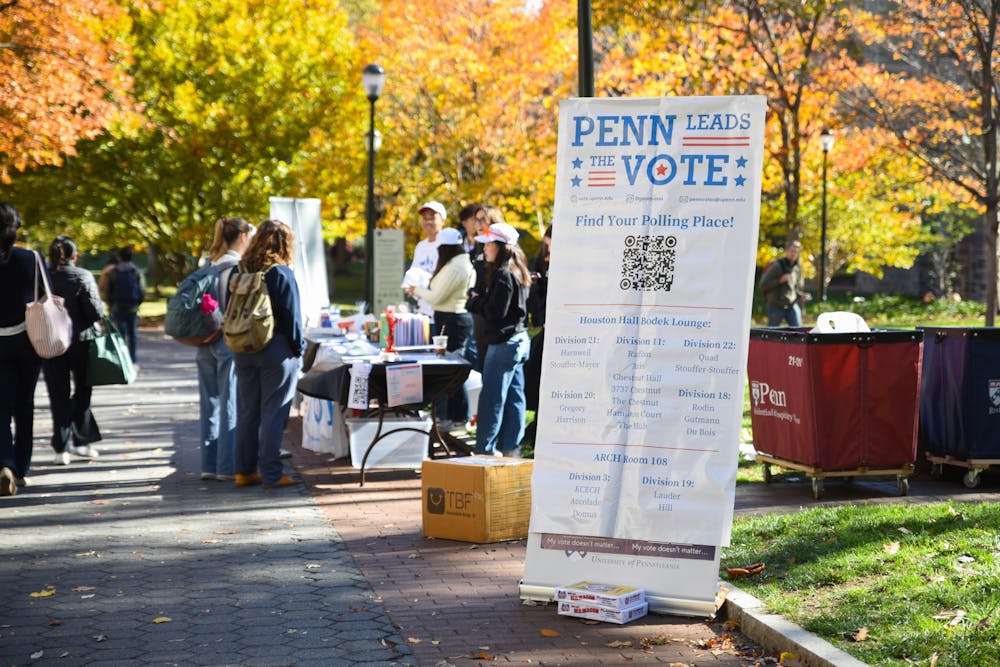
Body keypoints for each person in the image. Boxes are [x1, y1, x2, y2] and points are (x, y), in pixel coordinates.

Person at [231, 219, 304, 489]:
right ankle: (272, 474)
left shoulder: (241, 270)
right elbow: (292, 319)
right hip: (275, 350)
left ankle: (244, 471)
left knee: (248, 412)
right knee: (274, 412)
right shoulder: (281, 273)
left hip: (243, 348)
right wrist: (299, 350)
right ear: (284, 243)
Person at [466, 218, 531, 457]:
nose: (484, 248)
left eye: (488, 244)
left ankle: (485, 450)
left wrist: (474, 301)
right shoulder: (519, 271)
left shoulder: (504, 274)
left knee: (492, 398)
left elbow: (495, 312)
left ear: (501, 247)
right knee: (515, 397)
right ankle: (512, 448)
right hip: (519, 340)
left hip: (504, 343)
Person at [196, 217, 254, 481]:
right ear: (242, 236)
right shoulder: (238, 268)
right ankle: (226, 466)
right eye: (250, 235)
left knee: (209, 402)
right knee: (229, 401)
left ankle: (209, 464)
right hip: (229, 341)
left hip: (204, 340)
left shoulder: (208, 265)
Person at [404, 227, 475, 430]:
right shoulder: (457, 264)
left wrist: (415, 289)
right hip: (450, 318)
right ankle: (453, 416)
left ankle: (458, 417)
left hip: (452, 320)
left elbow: (436, 297)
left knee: (451, 371)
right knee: (451, 369)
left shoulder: (456, 267)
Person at [43, 236, 105, 466]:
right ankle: (81, 442)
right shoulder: (83, 276)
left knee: (57, 394)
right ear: (75, 256)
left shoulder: (44, 278)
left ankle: (61, 447)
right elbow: (94, 310)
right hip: (81, 341)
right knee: (83, 391)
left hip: (51, 342)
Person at [0, 202, 42, 496]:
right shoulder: (30, 259)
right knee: (24, 404)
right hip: (28, 341)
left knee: (0, 407)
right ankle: (22, 468)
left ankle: (4, 462)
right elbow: (47, 295)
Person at [522, 224, 551, 449]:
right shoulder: (542, 262)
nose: (548, 252)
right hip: (544, 329)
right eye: (546, 247)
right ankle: (534, 430)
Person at [106, 246, 146, 362]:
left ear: (120, 257)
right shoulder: (136, 271)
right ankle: (132, 359)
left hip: (117, 306)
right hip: (132, 307)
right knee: (132, 334)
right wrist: (138, 303)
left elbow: (108, 290)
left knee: (120, 334)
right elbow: (142, 290)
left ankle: (122, 359)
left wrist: (111, 304)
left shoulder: (113, 272)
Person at [410, 201, 446, 324]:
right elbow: (413, 275)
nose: (428, 222)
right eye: (425, 218)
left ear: (443, 221)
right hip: (423, 313)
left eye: (433, 217)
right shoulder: (420, 246)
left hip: (442, 313)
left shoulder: (448, 245)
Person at [760, 240, 805, 327]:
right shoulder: (777, 266)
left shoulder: (797, 268)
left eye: (796, 252)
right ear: (787, 251)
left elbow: (794, 288)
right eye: (792, 251)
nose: (793, 254)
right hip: (775, 305)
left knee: (799, 332)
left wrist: (801, 295)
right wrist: (779, 281)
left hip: (791, 305)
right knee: (772, 334)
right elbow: (763, 284)